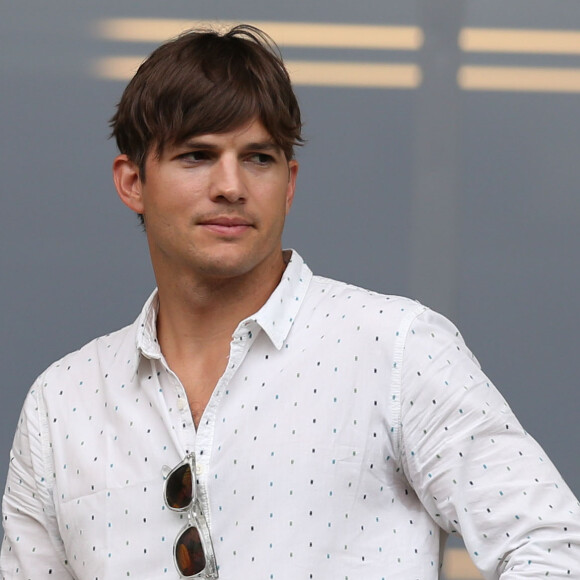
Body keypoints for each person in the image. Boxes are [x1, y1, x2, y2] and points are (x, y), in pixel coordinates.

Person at [1, 24, 579, 580]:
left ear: (290, 183)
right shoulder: (63, 404)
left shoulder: (395, 349)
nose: (231, 185)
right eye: (197, 155)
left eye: (258, 158)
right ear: (132, 183)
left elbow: (553, 549)